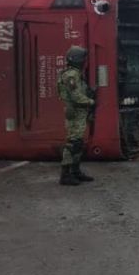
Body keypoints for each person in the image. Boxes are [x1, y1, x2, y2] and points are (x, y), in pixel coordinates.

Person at [57, 46, 96, 186]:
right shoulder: (71, 75)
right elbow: (76, 96)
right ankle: (65, 175)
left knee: (78, 143)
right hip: (75, 112)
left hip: (79, 112)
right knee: (73, 143)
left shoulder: (76, 73)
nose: (85, 61)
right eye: (83, 59)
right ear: (78, 60)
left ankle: (75, 172)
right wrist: (91, 101)